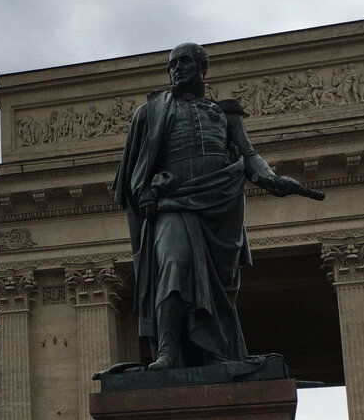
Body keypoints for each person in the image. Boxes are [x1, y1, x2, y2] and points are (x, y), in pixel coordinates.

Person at [112, 42, 324, 371]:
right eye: (172, 65)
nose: (176, 69)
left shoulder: (224, 114)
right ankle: (168, 350)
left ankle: (216, 352)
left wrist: (270, 178)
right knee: (174, 263)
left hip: (221, 207)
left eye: (183, 62)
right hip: (174, 202)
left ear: (202, 68)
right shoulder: (150, 112)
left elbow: (248, 155)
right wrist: (146, 191)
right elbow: (132, 170)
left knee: (218, 288)